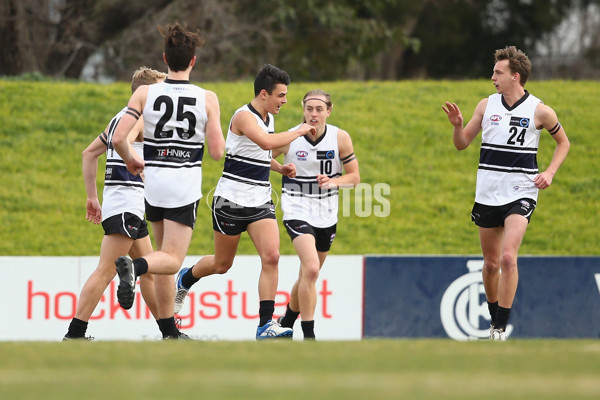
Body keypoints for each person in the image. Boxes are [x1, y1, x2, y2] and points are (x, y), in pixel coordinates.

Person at [172, 64, 316, 339]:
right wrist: (299, 131)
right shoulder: (243, 117)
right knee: (222, 265)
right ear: (264, 94)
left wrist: (279, 168)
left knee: (272, 257)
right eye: (281, 95)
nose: (285, 101)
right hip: (231, 202)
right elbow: (265, 142)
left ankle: (265, 325)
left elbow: (257, 155)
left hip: (260, 200)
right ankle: (186, 277)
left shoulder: (268, 117)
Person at [442, 46, 570, 341]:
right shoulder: (486, 106)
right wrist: (458, 126)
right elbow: (461, 144)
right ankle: (493, 318)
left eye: (498, 73)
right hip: (488, 193)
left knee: (509, 258)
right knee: (491, 264)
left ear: (516, 76)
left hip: (521, 192)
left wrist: (549, 172)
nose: (493, 77)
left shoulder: (540, 110)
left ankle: (500, 328)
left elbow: (564, 143)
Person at [112, 23, 225, 340]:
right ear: (193, 61)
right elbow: (217, 152)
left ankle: (168, 331)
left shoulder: (145, 92)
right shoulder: (207, 97)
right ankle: (134, 268)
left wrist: (132, 159)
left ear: (165, 58)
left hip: (153, 183)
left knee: (164, 259)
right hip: (182, 185)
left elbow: (120, 137)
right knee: (171, 259)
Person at [64, 67, 167, 341]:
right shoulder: (141, 119)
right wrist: (138, 164)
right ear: (146, 93)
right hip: (127, 205)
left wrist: (92, 197)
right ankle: (74, 334)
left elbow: (89, 154)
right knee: (105, 271)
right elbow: (126, 140)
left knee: (148, 272)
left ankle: (170, 332)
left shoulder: (118, 118)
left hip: (121, 205)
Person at [272, 89, 360, 340]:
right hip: (296, 208)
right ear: (303, 110)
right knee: (311, 269)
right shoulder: (290, 137)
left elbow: (354, 178)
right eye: (309, 109)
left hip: (327, 214)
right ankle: (308, 335)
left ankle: (286, 320)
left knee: (306, 275)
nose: (313, 114)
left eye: (319, 109)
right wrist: (281, 168)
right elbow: (259, 156)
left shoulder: (340, 138)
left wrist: (334, 182)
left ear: (328, 112)